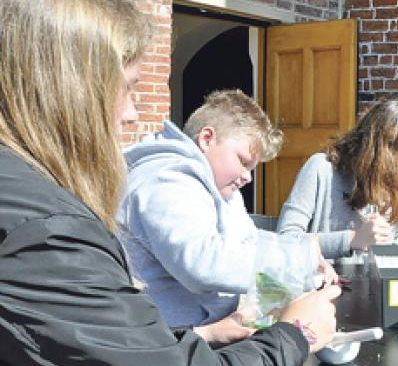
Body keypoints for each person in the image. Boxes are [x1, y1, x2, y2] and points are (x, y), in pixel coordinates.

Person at [0, 0, 339, 366]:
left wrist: (201, 338)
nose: (133, 115)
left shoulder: (29, 199)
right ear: (67, 88)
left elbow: (81, 343)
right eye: (128, 88)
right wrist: (297, 332)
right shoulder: (44, 228)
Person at [117, 89, 330, 345]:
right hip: (168, 344)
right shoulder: (167, 179)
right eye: (242, 161)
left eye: (252, 168)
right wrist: (297, 259)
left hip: (209, 331)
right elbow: (202, 262)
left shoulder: (223, 189)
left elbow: (248, 243)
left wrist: (300, 267)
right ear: (207, 138)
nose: (248, 177)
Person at [277, 99, 398, 259]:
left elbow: (395, 255)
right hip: (321, 281)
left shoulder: (397, 183)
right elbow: (286, 241)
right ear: (380, 153)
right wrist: (352, 239)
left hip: (372, 283)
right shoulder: (321, 169)